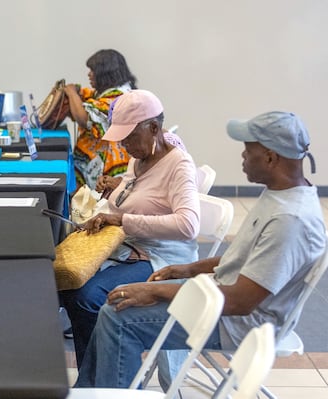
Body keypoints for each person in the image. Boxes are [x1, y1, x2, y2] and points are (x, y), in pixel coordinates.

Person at [75, 111, 326, 388]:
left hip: (240, 321)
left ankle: (106, 394)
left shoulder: (289, 220)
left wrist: (155, 290)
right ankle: (89, 392)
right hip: (222, 297)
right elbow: (247, 261)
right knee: (116, 304)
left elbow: (240, 301)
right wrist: (190, 269)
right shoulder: (281, 195)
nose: (242, 157)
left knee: (118, 315)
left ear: (270, 157)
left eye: (248, 150)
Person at [60, 90, 200, 369]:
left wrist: (123, 220)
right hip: (130, 248)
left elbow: (188, 225)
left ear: (154, 128)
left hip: (163, 259)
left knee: (88, 297)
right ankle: (95, 375)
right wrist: (116, 191)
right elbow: (138, 196)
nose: (124, 145)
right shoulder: (140, 157)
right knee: (69, 286)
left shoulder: (179, 165)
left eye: (129, 137)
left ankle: (103, 378)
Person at [65, 49, 137, 189]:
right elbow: (89, 99)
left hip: (107, 166)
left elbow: (83, 118)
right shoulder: (113, 92)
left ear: (104, 73)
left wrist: (71, 92)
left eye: (92, 70)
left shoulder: (118, 98)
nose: (89, 74)